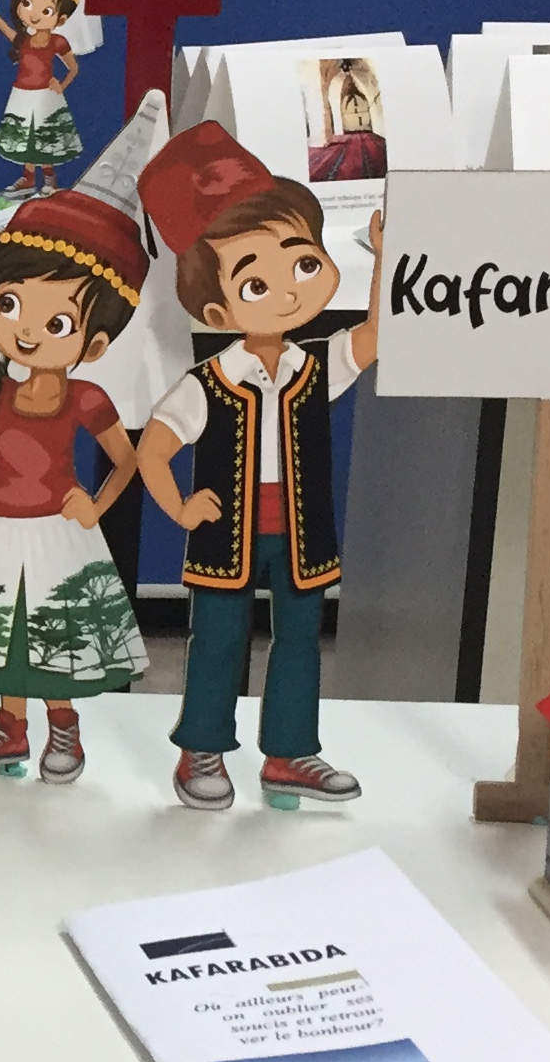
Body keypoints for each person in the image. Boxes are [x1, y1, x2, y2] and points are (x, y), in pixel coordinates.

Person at [134, 123, 383, 812]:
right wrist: (181, 507)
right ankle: (202, 747)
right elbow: (154, 449)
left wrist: (384, 263)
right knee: (218, 640)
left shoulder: (315, 364)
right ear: (216, 308)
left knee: (300, 639)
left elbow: (373, 335)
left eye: (303, 265)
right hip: (226, 535)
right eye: (255, 282)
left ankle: (290, 753)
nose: (288, 292)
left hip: (302, 534)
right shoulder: (208, 383)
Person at [0, 193, 147, 783]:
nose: (28, 331)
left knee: (53, 628)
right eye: (10, 304)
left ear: (94, 345)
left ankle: (62, 725)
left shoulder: (86, 398)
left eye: (58, 323)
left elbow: (127, 461)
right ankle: (10, 727)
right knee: (3, 630)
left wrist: (95, 505)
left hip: (57, 531)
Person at [0, 0, 86, 195]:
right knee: (25, 138)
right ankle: (28, 178)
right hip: (22, 93)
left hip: (45, 95)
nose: (34, 15)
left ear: (61, 19)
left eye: (47, 10)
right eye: (28, 3)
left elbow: (73, 68)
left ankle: (49, 179)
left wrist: (61, 85)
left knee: (44, 139)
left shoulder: (58, 42)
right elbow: (9, 33)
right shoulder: (24, 40)